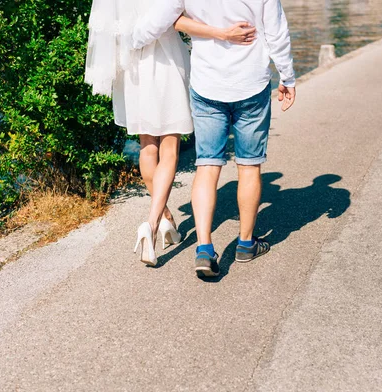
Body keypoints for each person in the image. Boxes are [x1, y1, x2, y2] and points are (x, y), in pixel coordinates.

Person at [85, 0, 256, 267]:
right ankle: (152, 224)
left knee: (147, 146)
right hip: (163, 63)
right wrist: (221, 32)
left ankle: (166, 218)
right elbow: (173, 18)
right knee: (169, 148)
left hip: (133, 65)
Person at [132, 0, 296, 277]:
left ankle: (205, 249)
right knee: (249, 166)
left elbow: (152, 25)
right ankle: (246, 243)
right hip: (251, 84)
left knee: (207, 167)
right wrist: (287, 77)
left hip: (208, 84)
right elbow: (277, 32)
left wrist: (131, 43)